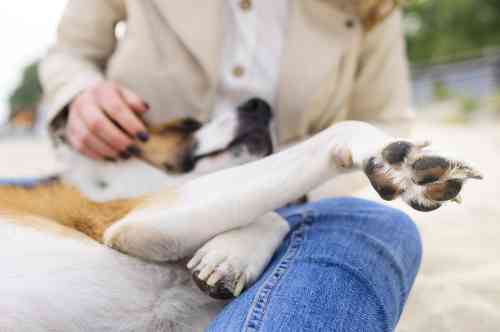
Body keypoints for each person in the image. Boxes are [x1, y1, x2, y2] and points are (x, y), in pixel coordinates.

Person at [40, 1, 421, 331]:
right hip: (132, 186)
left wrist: (291, 186)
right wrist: (80, 94)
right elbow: (70, 53)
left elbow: (387, 125)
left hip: (289, 199)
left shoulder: (371, 6)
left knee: (379, 227)